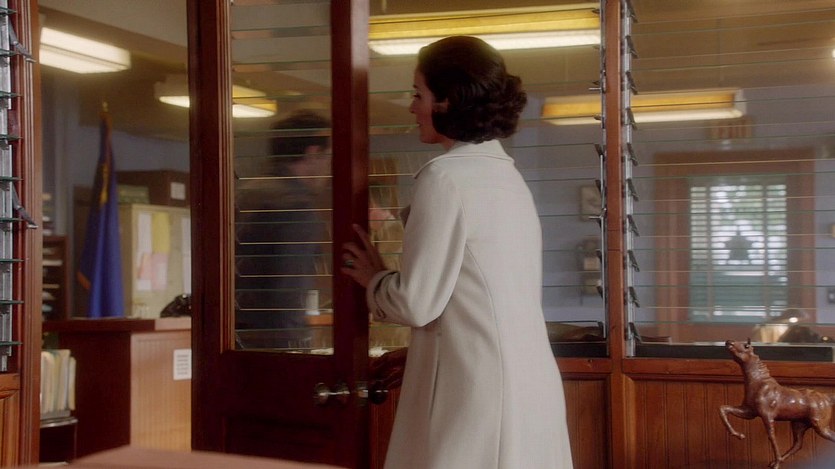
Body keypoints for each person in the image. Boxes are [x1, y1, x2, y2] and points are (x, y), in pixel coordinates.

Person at [342, 36, 574, 469]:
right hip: (524, 381)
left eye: (418, 94)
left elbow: (416, 303)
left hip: (476, 388)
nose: (411, 107)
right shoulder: (506, 176)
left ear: (448, 101)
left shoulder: (445, 178)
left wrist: (374, 278)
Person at [235, 110, 331, 349]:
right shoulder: (295, 206)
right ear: (313, 153)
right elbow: (288, 290)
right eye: (328, 156)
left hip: (233, 339)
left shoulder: (244, 195)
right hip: (272, 344)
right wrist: (296, 349)